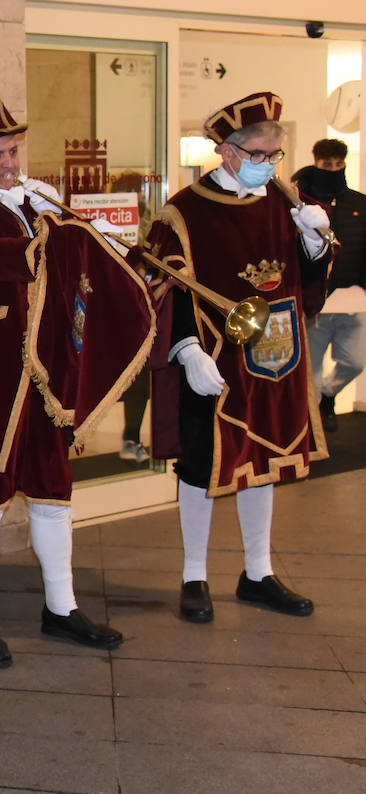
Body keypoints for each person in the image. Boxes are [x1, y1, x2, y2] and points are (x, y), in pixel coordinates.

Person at [0, 96, 125, 669]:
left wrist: (65, 222)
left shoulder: (32, 204)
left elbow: (70, 271)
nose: (10, 162)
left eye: (13, 150)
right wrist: (54, 231)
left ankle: (60, 607)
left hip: (45, 369)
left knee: (53, 483)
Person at [143, 92, 330, 624]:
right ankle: (194, 575)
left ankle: (258, 571)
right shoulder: (184, 210)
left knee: (266, 462)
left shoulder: (282, 201)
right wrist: (186, 349)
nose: (269, 166)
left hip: (278, 355)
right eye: (259, 155)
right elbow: (166, 287)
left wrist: (316, 242)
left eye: (276, 156)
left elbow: (306, 277)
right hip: (214, 359)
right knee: (202, 465)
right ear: (227, 152)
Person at [293, 138, 366, 432]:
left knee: (355, 360)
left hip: (354, 301)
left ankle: (326, 397)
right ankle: (313, 420)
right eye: (327, 164)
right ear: (316, 162)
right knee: (312, 368)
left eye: (338, 164)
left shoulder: (360, 204)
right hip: (315, 302)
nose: (333, 169)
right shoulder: (301, 203)